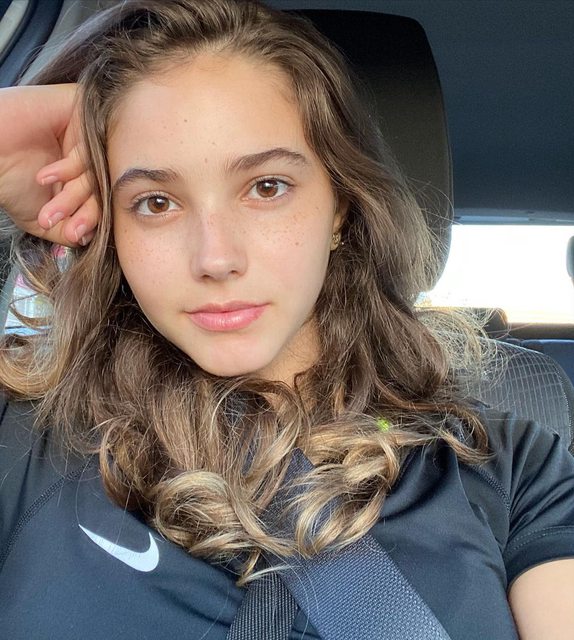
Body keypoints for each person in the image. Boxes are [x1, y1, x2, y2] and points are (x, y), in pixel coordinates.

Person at [0, 1, 573, 638]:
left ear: (340, 206)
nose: (216, 258)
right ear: (113, 228)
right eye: (156, 202)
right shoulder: (26, 437)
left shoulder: (511, 466)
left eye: (267, 187)